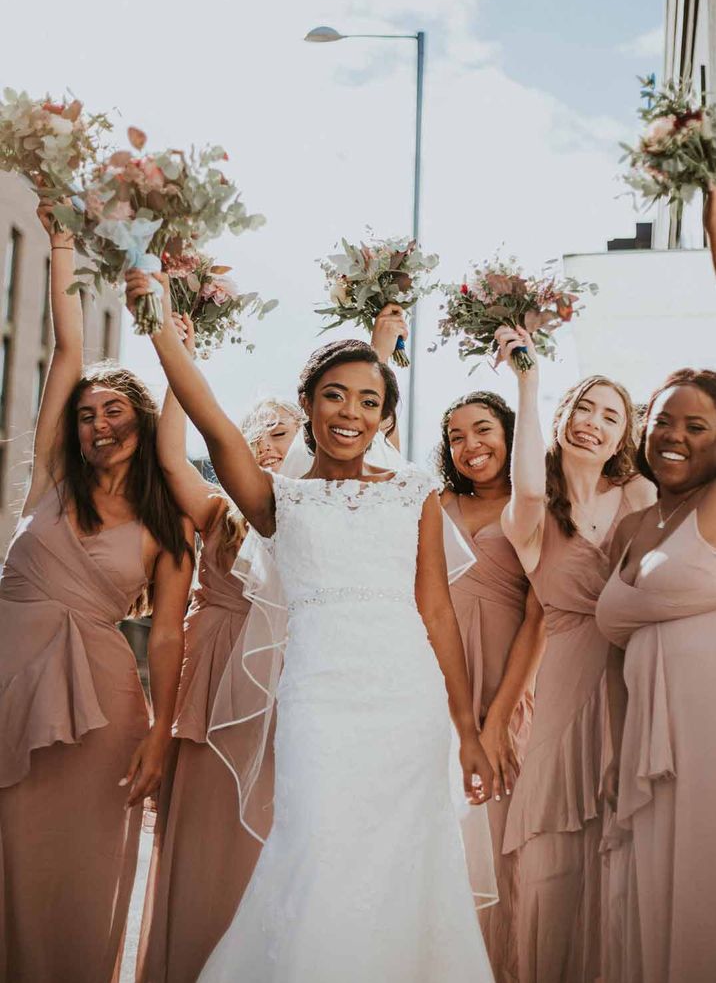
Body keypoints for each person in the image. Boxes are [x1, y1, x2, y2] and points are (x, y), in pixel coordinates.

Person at [125, 267, 495, 983]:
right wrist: (160, 325)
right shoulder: (276, 500)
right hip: (318, 704)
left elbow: (437, 610)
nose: (350, 412)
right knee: (319, 856)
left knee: (406, 869)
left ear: (386, 419)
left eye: (368, 401)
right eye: (334, 396)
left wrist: (468, 730)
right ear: (308, 403)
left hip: (408, 704)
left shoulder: (416, 493)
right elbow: (208, 418)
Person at [0, 208, 193, 983]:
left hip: (101, 714)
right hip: (7, 682)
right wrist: (60, 242)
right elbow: (69, 348)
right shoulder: (47, 481)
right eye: (86, 415)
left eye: (114, 410)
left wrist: (160, 736)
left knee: (77, 876)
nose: (96, 422)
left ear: (141, 425)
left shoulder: (165, 524)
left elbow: (171, 636)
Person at [137, 314, 303, 983]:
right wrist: (181, 361)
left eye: (291, 438)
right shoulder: (214, 510)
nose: (276, 447)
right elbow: (173, 457)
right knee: (202, 844)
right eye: (267, 434)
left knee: (260, 849)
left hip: (277, 689)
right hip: (208, 681)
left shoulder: (317, 515)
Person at [495, 324, 655, 983]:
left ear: (625, 438)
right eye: (583, 408)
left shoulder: (641, 498)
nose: (594, 422)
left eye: (610, 415)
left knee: (628, 846)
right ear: (562, 419)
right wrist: (529, 383)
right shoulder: (528, 516)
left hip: (637, 680)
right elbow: (530, 487)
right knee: (557, 858)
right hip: (566, 686)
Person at [597, 368, 716, 983]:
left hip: (708, 736)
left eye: (698, 425)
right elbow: (620, 656)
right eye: (663, 420)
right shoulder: (631, 527)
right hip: (647, 740)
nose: (675, 436)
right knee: (652, 888)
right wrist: (618, 746)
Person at [438, 391, 544, 983]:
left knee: (501, 843)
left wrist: (499, 717)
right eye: (456, 436)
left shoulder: (534, 508)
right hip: (433, 679)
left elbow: (541, 615)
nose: (470, 445)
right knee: (441, 840)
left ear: (509, 433)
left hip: (506, 679)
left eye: (482, 430)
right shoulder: (434, 502)